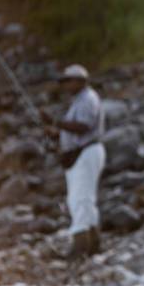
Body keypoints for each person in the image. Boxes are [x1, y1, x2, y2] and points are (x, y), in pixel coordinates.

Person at [41, 64, 106, 260]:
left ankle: (79, 249)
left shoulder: (88, 98)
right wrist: (55, 132)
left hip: (87, 152)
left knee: (79, 200)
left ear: (80, 80)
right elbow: (73, 130)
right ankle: (94, 245)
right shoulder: (79, 100)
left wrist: (56, 122)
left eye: (68, 81)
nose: (65, 85)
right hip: (80, 154)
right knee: (84, 200)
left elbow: (84, 126)